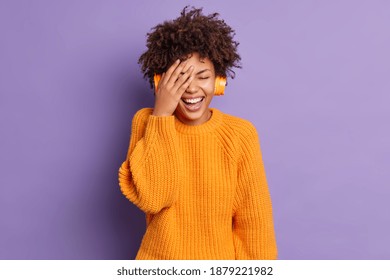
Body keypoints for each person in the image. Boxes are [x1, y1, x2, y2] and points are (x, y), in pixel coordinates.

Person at [118, 6, 277, 260]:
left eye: (203, 76)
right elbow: (154, 197)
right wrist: (161, 115)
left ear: (219, 81)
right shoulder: (147, 122)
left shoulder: (240, 135)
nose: (191, 88)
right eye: (180, 79)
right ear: (161, 83)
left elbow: (255, 224)